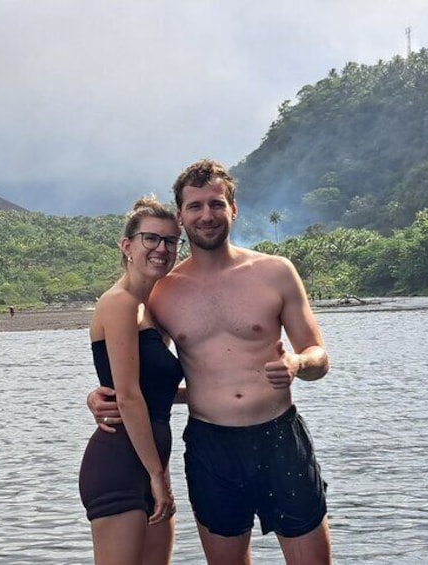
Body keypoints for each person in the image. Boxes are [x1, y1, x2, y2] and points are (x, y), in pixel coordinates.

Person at [89, 159, 332, 564]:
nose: (207, 214)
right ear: (182, 217)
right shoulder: (163, 293)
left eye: (216, 204)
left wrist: (297, 363)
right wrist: (102, 394)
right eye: (195, 206)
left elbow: (320, 356)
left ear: (233, 209)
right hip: (211, 446)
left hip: (280, 438)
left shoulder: (276, 272)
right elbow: (143, 367)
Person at [78, 196, 186, 565]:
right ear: (127, 246)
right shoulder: (119, 302)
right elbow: (127, 396)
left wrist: (234, 391)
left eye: (171, 241)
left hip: (153, 463)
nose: (162, 248)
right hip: (119, 466)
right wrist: (157, 476)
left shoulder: (150, 310)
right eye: (151, 239)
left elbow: (156, 394)